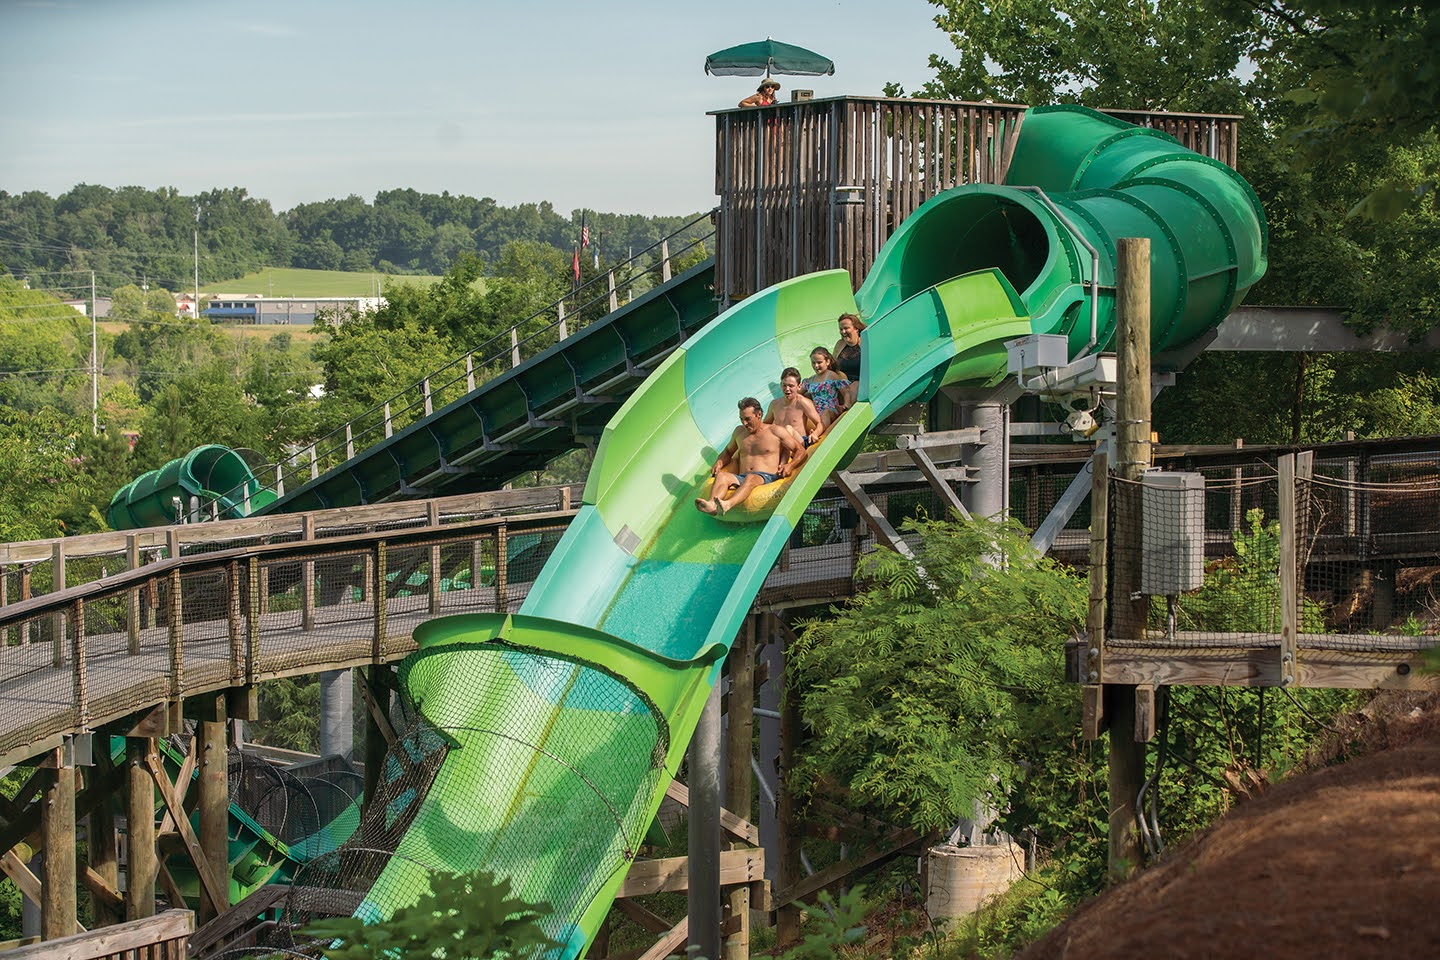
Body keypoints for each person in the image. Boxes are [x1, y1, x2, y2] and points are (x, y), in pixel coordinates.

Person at [697, 396, 801, 516]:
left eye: (748, 419)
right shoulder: (739, 432)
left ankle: (728, 504)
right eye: (741, 419)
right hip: (742, 477)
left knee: (750, 478)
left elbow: (800, 450)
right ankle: (712, 505)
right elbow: (728, 452)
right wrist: (719, 462)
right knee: (722, 476)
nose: (744, 423)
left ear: (759, 414)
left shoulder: (775, 431)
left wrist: (790, 465)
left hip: (766, 477)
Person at [764, 367, 824, 470]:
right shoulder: (774, 404)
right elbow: (765, 425)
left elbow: (819, 423)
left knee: (787, 429)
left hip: (799, 443)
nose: (787, 389)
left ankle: (782, 464)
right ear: (780, 385)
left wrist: (815, 433)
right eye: (784, 385)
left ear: (799, 386)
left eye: (791, 386)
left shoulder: (802, 403)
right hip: (781, 445)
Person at [803, 346, 850, 429]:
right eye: (813, 363)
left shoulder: (832, 376)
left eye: (819, 362)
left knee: (825, 413)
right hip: (816, 413)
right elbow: (797, 393)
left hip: (831, 411)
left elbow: (845, 391)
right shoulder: (811, 380)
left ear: (827, 362)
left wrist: (846, 403)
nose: (816, 366)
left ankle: (820, 432)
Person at [832, 313, 866, 410]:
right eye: (841, 329)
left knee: (855, 386)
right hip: (842, 383)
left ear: (856, 328)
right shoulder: (840, 344)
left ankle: (842, 412)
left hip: (860, 383)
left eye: (846, 328)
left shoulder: (865, 343)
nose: (843, 331)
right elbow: (832, 367)